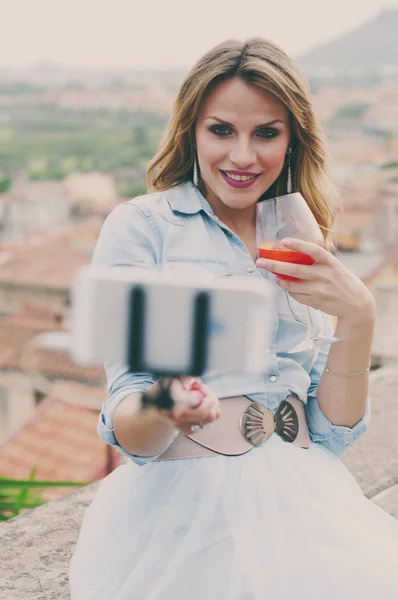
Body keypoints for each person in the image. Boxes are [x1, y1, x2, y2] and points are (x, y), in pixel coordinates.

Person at [69, 38, 398, 599]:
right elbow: (129, 425)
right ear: (191, 130)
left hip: (306, 506)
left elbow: (330, 431)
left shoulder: (303, 232)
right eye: (221, 130)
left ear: (293, 138)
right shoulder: (144, 227)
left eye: (266, 132)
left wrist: (359, 317)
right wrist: (167, 405)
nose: (243, 156)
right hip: (182, 517)